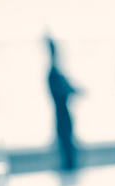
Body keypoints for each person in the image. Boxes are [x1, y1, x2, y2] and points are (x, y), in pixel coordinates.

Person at [47, 38, 77, 170]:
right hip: (61, 114)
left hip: (63, 113)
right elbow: (66, 90)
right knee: (66, 146)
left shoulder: (57, 74)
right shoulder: (53, 74)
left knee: (68, 146)